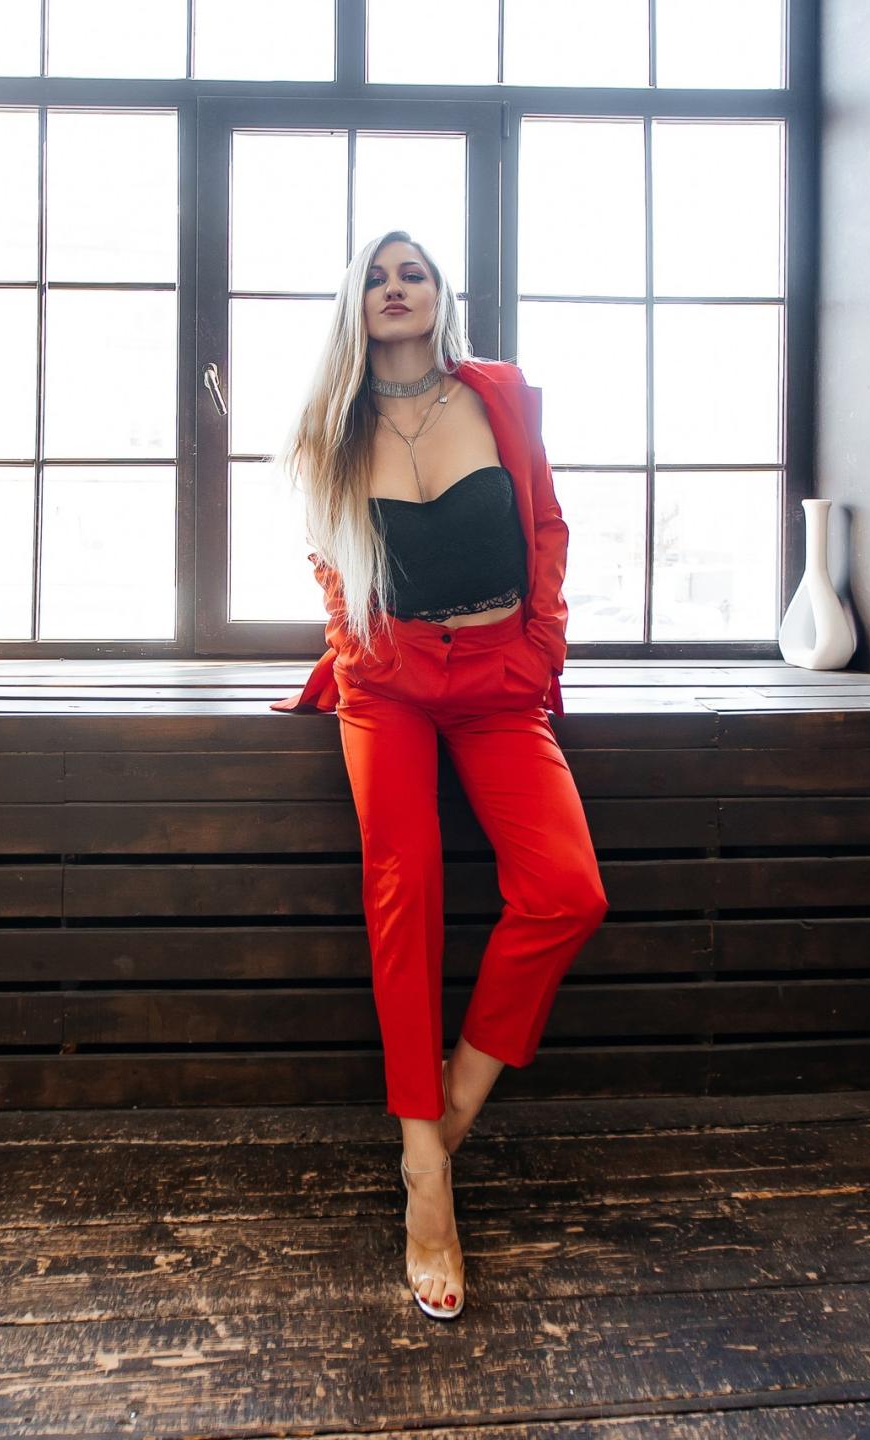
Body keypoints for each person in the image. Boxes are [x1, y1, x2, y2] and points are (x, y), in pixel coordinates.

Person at [269, 230, 610, 1321]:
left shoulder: (499, 396)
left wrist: (542, 649)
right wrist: (358, 653)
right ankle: (426, 1172)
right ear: (354, 303)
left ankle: (448, 1114)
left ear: (438, 293)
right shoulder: (330, 423)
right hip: (389, 681)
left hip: (501, 675)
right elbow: (331, 567)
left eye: (410, 272)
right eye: (374, 276)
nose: (393, 288)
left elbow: (545, 527)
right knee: (403, 889)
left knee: (567, 891)